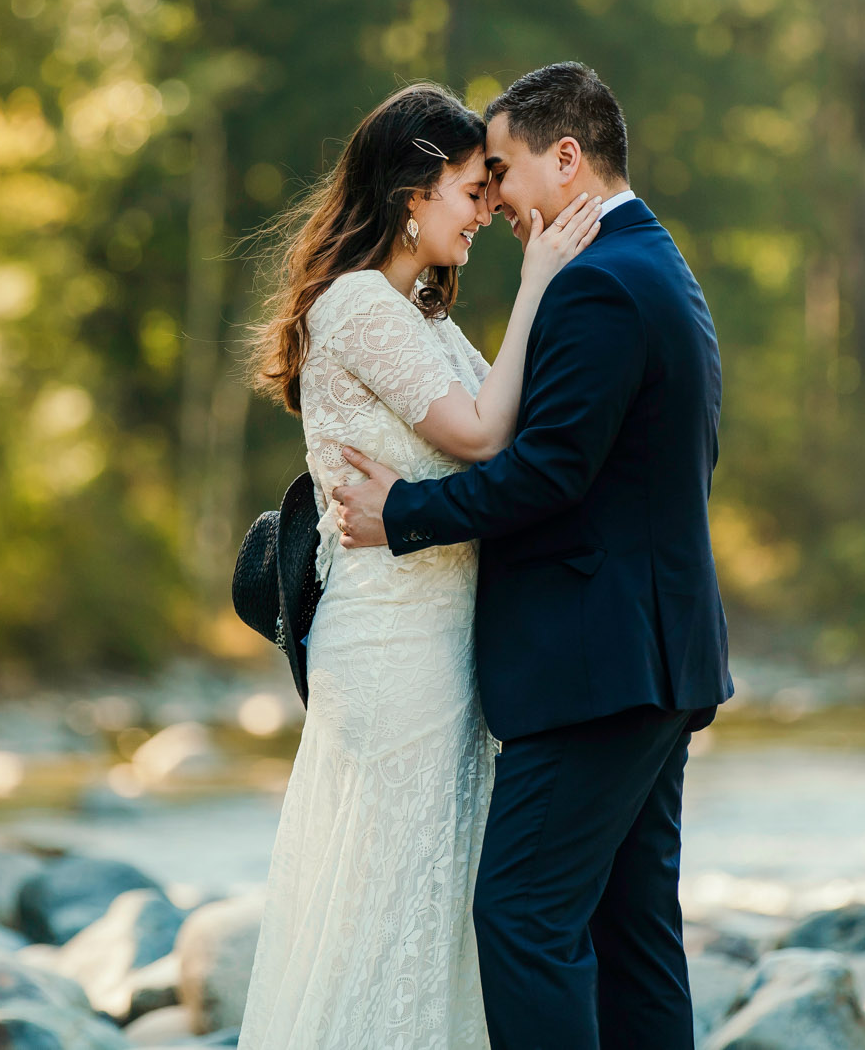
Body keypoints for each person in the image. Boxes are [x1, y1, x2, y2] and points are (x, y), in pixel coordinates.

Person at [332, 61, 735, 1049]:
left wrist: (405, 514)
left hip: (594, 670)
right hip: (653, 657)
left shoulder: (597, 283)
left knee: (522, 916)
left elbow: (549, 473)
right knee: (632, 932)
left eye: (503, 169)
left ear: (566, 158)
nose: (497, 196)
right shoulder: (656, 263)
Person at [239, 81, 602, 1048]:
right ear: (411, 190)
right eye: (471, 188)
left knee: (434, 911)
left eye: (491, 189)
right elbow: (484, 436)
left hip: (445, 651)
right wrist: (539, 285)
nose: (487, 208)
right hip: (391, 652)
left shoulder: (422, 315)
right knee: (383, 902)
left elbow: (518, 431)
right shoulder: (358, 305)